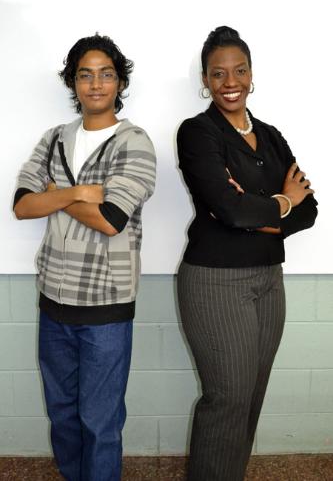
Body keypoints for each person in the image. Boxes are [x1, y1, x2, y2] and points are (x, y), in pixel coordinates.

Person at [176, 26, 317, 481]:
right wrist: (280, 200)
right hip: (216, 280)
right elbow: (230, 211)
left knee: (251, 396)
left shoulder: (272, 137)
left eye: (239, 70)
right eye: (218, 73)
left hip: (268, 280)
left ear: (252, 75)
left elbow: (310, 209)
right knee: (228, 398)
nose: (229, 81)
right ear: (206, 79)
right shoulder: (198, 134)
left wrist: (259, 210)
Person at [14, 34, 156, 481]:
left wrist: (52, 196)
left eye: (106, 74)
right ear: (73, 83)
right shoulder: (54, 138)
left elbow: (111, 219)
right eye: (85, 75)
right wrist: (74, 193)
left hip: (106, 309)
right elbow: (21, 205)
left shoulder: (135, 142)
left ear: (119, 82)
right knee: (63, 415)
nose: (96, 84)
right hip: (54, 302)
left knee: (100, 422)